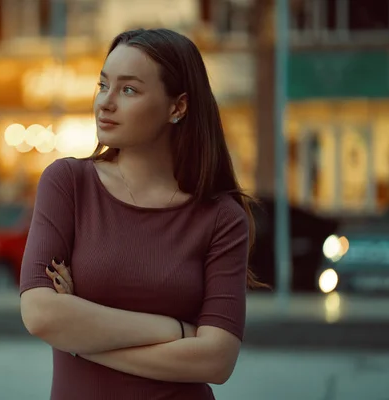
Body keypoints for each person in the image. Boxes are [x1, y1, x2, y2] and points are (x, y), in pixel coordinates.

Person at [20, 28, 260, 400]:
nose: (105, 103)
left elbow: (216, 360)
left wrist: (80, 340)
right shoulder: (68, 184)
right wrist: (176, 330)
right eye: (103, 85)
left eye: (128, 90)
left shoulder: (220, 217)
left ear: (177, 107)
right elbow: (40, 315)